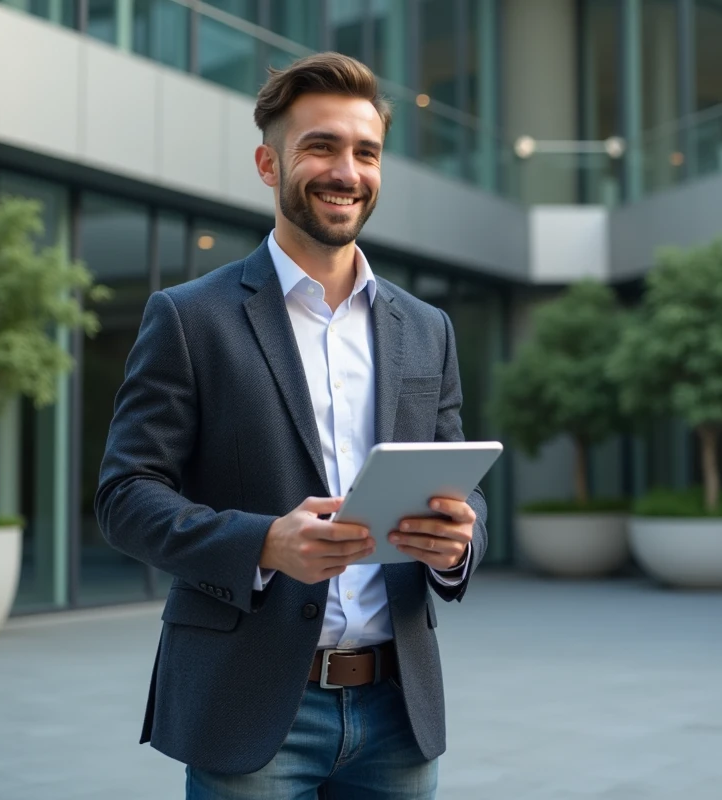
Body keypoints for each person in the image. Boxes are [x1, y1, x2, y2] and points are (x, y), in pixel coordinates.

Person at [94, 52, 487, 800]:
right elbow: (125, 495)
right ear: (268, 165)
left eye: (365, 152)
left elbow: (454, 475)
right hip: (252, 711)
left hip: (398, 712)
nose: (347, 170)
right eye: (320, 147)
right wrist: (264, 543)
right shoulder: (189, 318)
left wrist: (457, 542)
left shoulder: (427, 328)